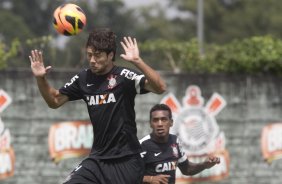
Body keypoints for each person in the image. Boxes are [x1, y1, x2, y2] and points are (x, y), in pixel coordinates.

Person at [29, 28, 166, 184]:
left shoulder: (124, 77)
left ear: (110, 55)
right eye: (89, 55)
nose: (92, 60)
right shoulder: (83, 78)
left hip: (126, 160)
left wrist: (137, 61)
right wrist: (40, 78)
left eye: (98, 55)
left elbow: (160, 87)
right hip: (97, 160)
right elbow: (54, 101)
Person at [139, 104, 220, 184]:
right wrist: (149, 179)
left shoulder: (175, 141)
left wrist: (204, 165)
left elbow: (187, 169)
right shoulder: (141, 145)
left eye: (164, 119)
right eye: (155, 120)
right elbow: (128, 175)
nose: (160, 124)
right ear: (150, 124)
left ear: (171, 122)